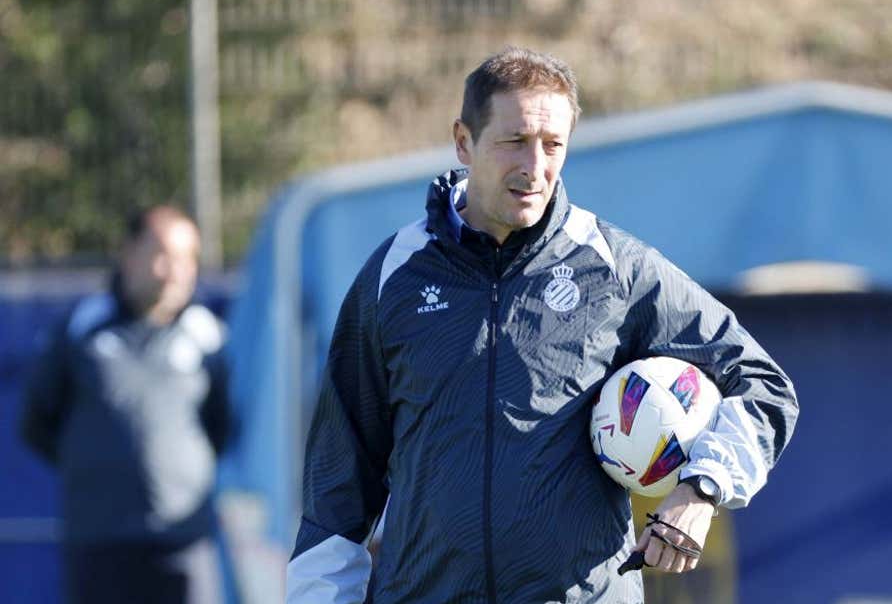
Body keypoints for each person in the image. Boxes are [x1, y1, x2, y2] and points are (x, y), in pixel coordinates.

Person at [285, 47, 799, 603]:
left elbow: (763, 384)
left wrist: (702, 488)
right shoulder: (394, 275)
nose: (535, 167)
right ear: (463, 141)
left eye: (553, 144)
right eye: (515, 141)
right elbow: (337, 484)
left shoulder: (614, 268)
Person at [20, 206, 232, 604]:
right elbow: (36, 424)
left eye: (189, 258)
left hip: (184, 542)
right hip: (99, 544)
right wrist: (93, 465)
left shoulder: (209, 337)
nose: (177, 271)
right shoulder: (81, 327)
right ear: (129, 254)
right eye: (165, 255)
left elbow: (222, 426)